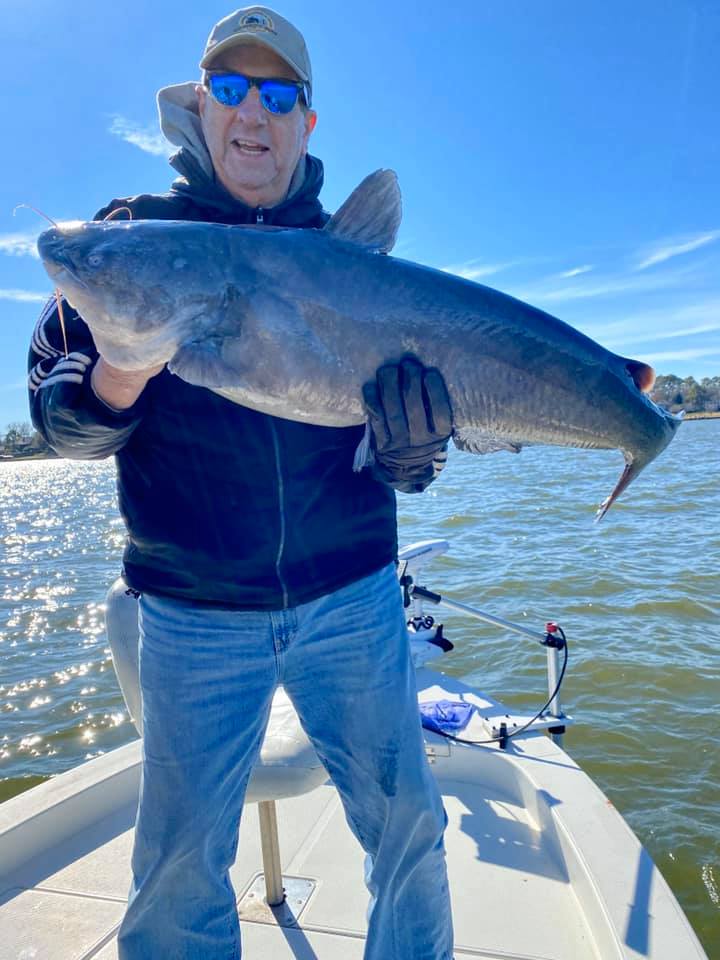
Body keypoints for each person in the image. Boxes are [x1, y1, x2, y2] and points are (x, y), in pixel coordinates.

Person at [28, 7, 455, 959]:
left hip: (352, 598)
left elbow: (403, 463)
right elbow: (57, 417)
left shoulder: (359, 264)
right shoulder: (131, 240)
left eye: (276, 94)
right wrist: (120, 374)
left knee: (410, 837)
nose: (251, 112)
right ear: (199, 109)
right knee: (179, 875)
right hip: (190, 614)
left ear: (307, 122)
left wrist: (411, 452)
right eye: (230, 89)